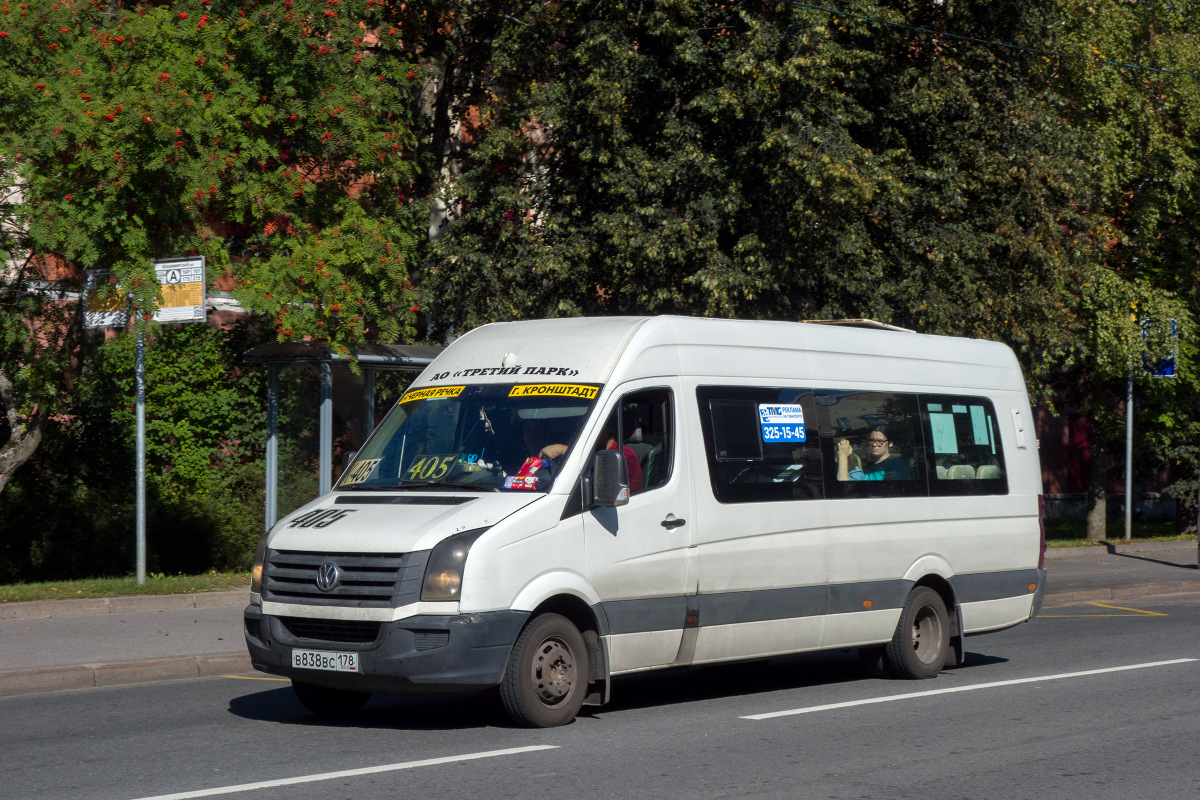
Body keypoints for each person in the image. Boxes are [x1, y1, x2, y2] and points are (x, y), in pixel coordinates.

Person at [837, 426, 909, 481]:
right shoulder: (869, 466)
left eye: (880, 441)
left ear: (890, 444)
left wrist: (843, 456)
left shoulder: (896, 464)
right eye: (871, 440)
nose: (874, 444)